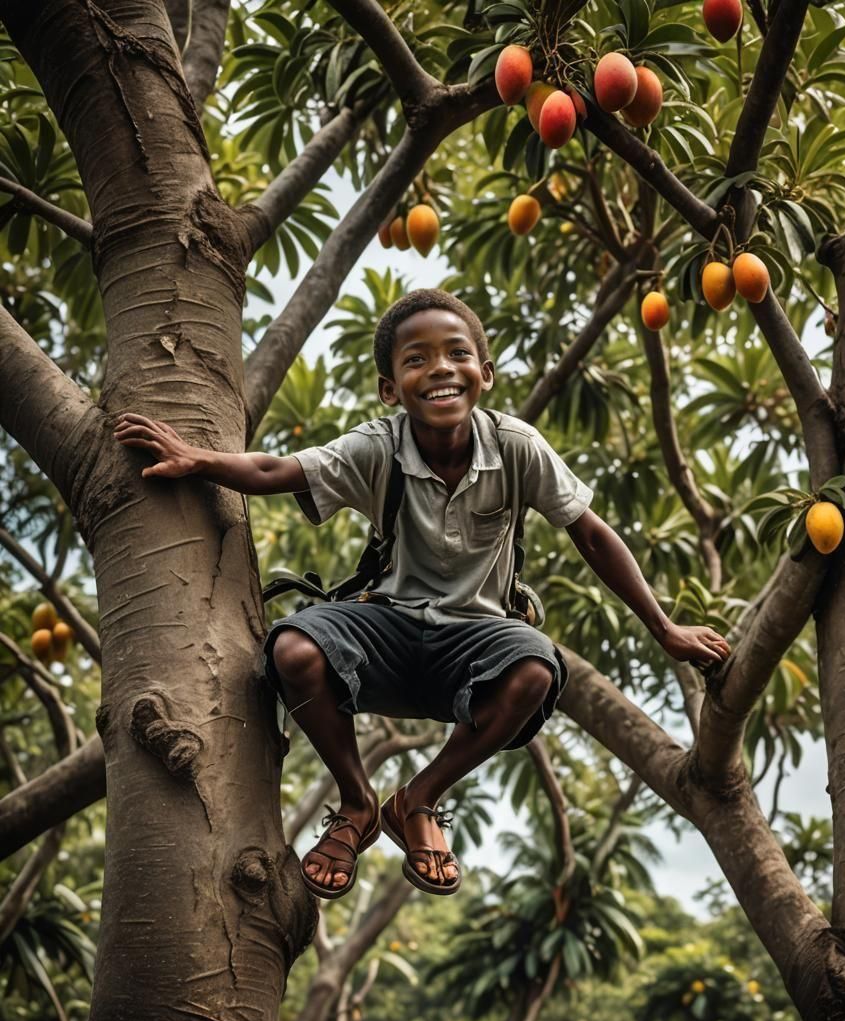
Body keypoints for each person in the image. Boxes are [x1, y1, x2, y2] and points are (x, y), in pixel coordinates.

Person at [113, 289, 729, 900]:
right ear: (390, 389)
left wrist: (665, 629)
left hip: (476, 641)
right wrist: (199, 459)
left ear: (483, 374)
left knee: (537, 667)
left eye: (456, 354)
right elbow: (278, 471)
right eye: (415, 360)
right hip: (386, 631)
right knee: (294, 649)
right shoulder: (377, 446)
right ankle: (357, 805)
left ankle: (418, 799)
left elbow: (591, 535)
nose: (438, 368)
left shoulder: (516, 446)